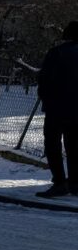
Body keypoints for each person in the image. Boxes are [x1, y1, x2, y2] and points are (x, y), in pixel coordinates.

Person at [36, 20, 78, 198]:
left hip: (57, 108)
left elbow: (44, 80)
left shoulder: (56, 53)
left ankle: (60, 182)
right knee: (75, 146)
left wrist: (46, 99)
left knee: (53, 144)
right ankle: (76, 184)